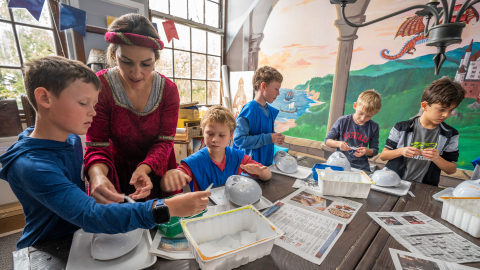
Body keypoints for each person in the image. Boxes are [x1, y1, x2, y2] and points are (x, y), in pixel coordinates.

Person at [0, 56, 210, 249]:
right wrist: (167, 207)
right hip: (46, 247)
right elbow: (90, 215)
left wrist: (96, 176)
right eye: (84, 103)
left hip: (77, 237)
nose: (93, 112)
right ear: (45, 98)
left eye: (95, 104)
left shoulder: (70, 139)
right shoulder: (31, 166)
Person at [84, 14, 180, 204]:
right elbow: (97, 145)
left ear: (156, 58)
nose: (136, 74)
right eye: (126, 62)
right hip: (115, 171)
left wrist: (144, 168)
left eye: (146, 64)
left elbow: (165, 141)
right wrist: (97, 176)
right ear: (113, 55)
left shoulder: (168, 90)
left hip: (157, 169)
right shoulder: (101, 87)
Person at [160, 106, 272, 192]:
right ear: (203, 132)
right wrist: (170, 176)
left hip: (231, 208)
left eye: (221, 135)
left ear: (231, 135)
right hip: (205, 213)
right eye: (210, 134)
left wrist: (259, 171)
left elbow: (267, 175)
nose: (215, 139)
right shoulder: (193, 162)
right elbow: (167, 185)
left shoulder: (238, 157)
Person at [380, 77, 466, 186]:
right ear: (424, 106)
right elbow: (383, 156)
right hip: (393, 183)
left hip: (424, 189)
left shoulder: (451, 134)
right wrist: (401, 151)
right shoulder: (401, 128)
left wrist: (437, 158)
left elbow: (451, 169)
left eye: (451, 110)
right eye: (442, 109)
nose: (446, 115)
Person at [233, 66, 284, 166]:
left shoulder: (270, 111)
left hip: (266, 167)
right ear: (263, 86)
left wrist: (275, 137)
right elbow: (239, 140)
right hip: (250, 171)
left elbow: (262, 134)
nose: (278, 93)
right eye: (276, 89)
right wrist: (269, 138)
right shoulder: (249, 110)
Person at [325, 90, 381, 171]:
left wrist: (366, 151)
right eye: (360, 113)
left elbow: (374, 150)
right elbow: (327, 141)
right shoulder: (343, 121)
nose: (363, 118)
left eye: (368, 116)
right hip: (340, 164)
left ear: (375, 113)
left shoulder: (374, 127)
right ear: (355, 105)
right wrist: (339, 144)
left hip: (361, 167)